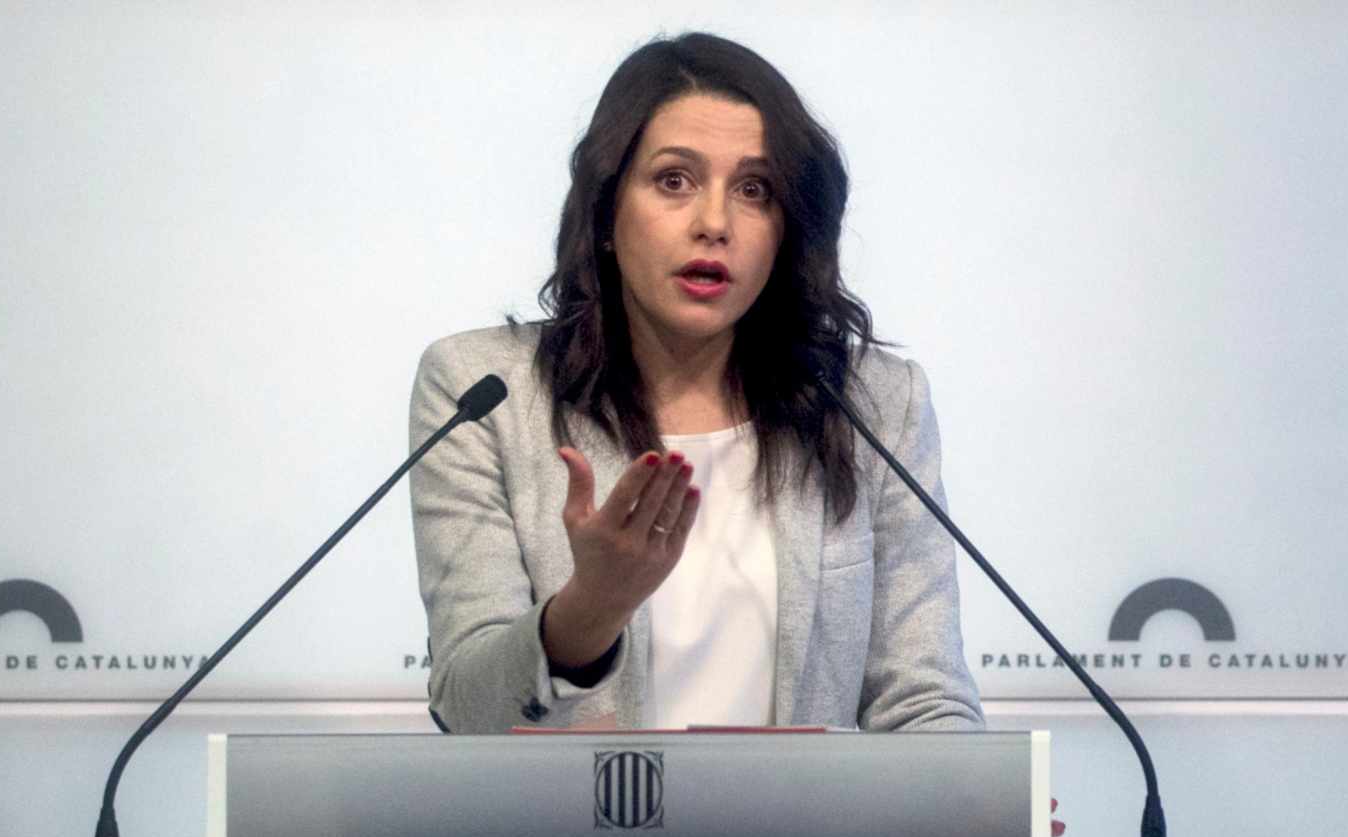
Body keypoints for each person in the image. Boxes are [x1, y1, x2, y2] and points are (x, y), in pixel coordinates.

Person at [409, 32, 984, 735]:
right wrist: (592, 607)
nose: (714, 223)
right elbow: (469, 711)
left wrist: (967, 801)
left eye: (754, 189)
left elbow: (924, 698)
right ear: (607, 212)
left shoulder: (873, 406)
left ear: (787, 226)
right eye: (674, 180)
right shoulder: (484, 395)